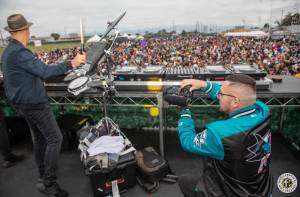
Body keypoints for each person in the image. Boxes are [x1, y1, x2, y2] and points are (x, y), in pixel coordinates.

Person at [1, 14, 86, 197]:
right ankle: (49, 182)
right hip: (34, 104)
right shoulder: (19, 53)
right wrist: (72, 63)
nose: (29, 32)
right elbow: (44, 72)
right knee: (55, 139)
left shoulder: (9, 51)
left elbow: (33, 72)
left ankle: (42, 178)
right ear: (24, 30)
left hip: (23, 104)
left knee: (39, 140)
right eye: (28, 29)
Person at [178, 74, 273, 197]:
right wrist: (203, 85)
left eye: (221, 94)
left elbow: (188, 142)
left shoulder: (221, 134)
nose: (219, 96)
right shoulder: (263, 110)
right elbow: (233, 96)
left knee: (184, 182)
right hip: (262, 188)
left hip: (231, 192)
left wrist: (184, 112)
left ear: (235, 102)